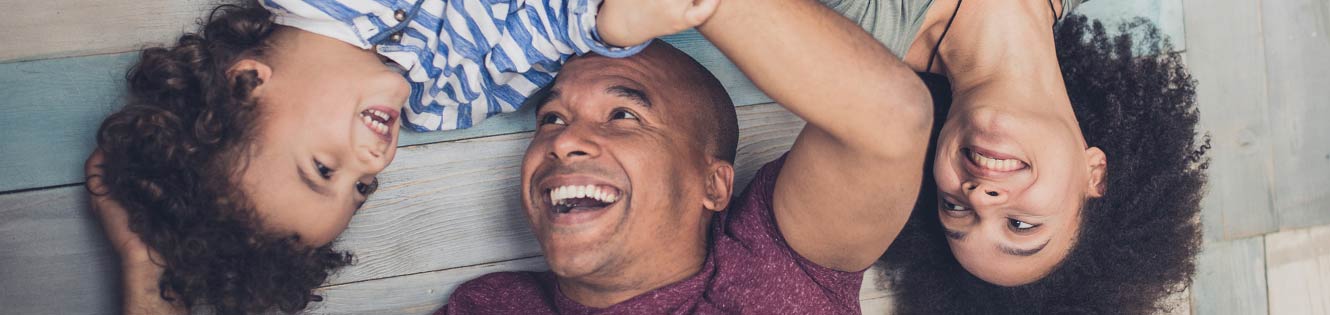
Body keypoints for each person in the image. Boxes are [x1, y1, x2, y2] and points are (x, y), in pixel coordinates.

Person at [83, 0, 692, 313]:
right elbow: (547, 36)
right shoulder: (442, 102)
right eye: (359, 189)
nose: (373, 161)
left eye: (324, 168)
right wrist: (608, 23)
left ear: (247, 83)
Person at [439, 0, 933, 313]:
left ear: (713, 185)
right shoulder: (488, 305)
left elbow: (891, 118)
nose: (563, 142)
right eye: (552, 119)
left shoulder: (775, 272)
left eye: (623, 115)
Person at [820, 0, 1208, 312]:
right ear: (1095, 174)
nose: (978, 197)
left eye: (954, 208)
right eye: (1021, 226)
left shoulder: (845, 29)